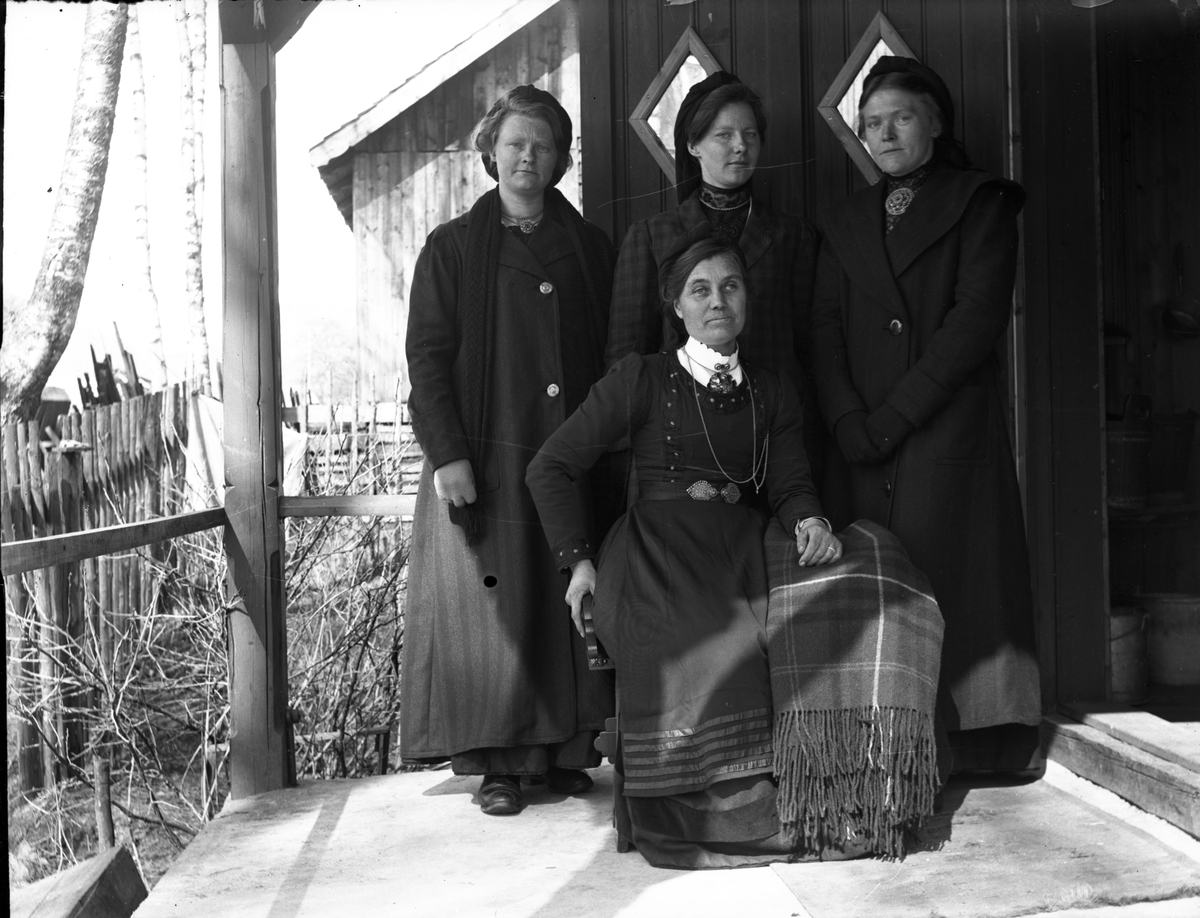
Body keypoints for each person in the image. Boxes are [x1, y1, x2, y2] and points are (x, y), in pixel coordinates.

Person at [527, 229, 849, 868]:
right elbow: (550, 466)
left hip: (742, 548)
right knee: (703, 636)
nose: (717, 301)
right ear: (676, 306)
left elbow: (788, 482)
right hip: (655, 555)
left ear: (747, 299)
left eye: (730, 286)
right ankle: (707, 817)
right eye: (699, 290)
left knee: (828, 607)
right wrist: (578, 561)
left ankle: (809, 789)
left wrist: (810, 518)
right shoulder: (641, 378)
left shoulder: (773, 388)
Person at [810, 56, 1042, 775]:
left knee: (958, 583)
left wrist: (890, 419)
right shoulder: (846, 217)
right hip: (863, 442)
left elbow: (973, 326)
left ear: (935, 123)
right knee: (879, 597)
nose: (885, 134)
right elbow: (822, 330)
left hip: (943, 432)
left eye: (900, 118)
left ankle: (977, 744)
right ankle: (890, 750)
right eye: (872, 124)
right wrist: (850, 421)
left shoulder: (982, 203)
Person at [400, 85, 616, 816]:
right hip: (486, 459)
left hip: (566, 455)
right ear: (490, 151)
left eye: (544, 145)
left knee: (562, 598)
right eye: (516, 142)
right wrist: (448, 453)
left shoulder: (589, 248)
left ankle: (560, 754)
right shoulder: (453, 248)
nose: (529, 156)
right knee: (496, 613)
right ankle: (497, 763)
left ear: (560, 160)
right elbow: (427, 359)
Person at [605, 72, 825, 480]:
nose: (741, 146)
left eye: (751, 134)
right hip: (682, 449)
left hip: (773, 444)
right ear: (693, 145)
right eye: (724, 135)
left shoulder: (794, 236)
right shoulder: (652, 237)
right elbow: (625, 361)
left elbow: (812, 347)